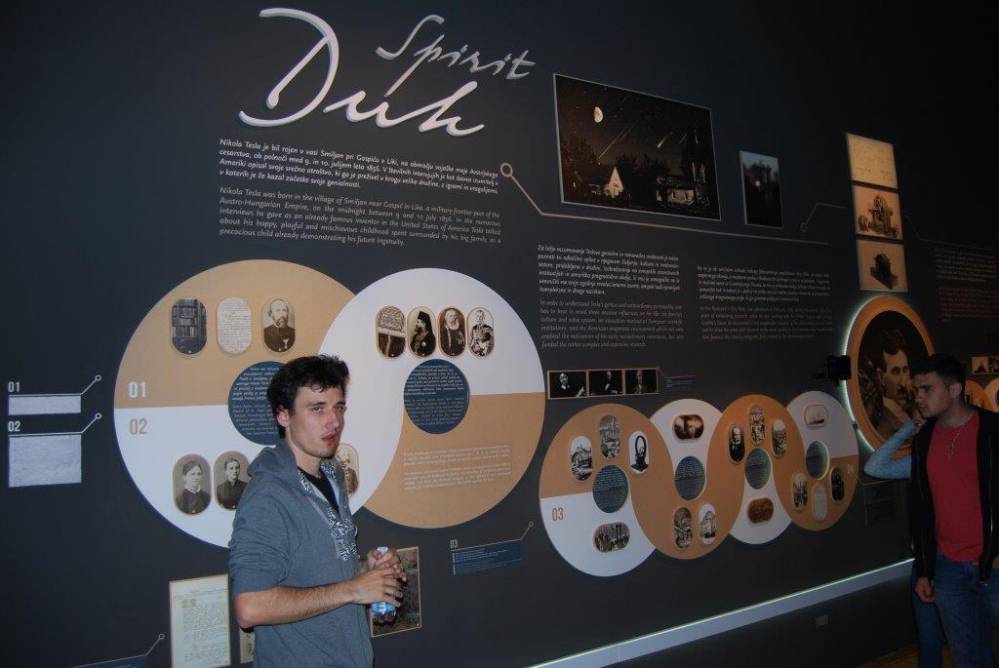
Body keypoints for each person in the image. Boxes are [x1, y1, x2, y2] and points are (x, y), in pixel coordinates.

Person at [229, 355, 405, 667]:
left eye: (339, 407)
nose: (334, 421)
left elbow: (317, 568)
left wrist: (368, 573)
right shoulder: (267, 497)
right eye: (317, 408)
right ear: (284, 415)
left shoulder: (332, 475)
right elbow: (250, 607)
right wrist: (352, 590)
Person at [910, 353, 999, 667]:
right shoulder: (923, 440)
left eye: (926, 389)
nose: (918, 397)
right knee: (969, 659)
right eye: (916, 390)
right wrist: (925, 568)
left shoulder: (993, 431)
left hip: (994, 564)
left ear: (954, 390)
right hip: (947, 568)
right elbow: (920, 508)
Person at [863, 420, 944, 668]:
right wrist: (907, 430)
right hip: (925, 564)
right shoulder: (916, 464)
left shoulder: (953, 463)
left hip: (953, 561)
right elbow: (874, 466)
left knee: (968, 639)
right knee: (930, 641)